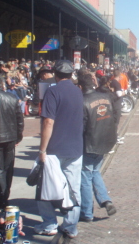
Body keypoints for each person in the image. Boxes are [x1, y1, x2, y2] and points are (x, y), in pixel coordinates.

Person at [35, 60, 83, 239]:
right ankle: (71, 226)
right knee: (73, 188)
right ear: (71, 74)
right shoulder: (78, 92)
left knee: (45, 187)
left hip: (55, 148)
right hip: (75, 148)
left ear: (55, 74)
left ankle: (49, 223)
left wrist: (42, 150)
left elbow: (48, 122)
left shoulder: (52, 91)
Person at [78, 74, 117, 222]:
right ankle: (105, 200)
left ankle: (87, 213)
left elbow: (81, 126)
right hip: (104, 142)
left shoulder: (82, 101)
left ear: (80, 87)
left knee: (86, 178)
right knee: (95, 173)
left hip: (89, 144)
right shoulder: (105, 97)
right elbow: (114, 117)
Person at [0, 74, 24, 211]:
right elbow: (19, 119)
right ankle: (5, 196)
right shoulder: (11, 97)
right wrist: (18, 135)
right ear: (2, 84)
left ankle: (2, 197)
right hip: (9, 136)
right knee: (8, 167)